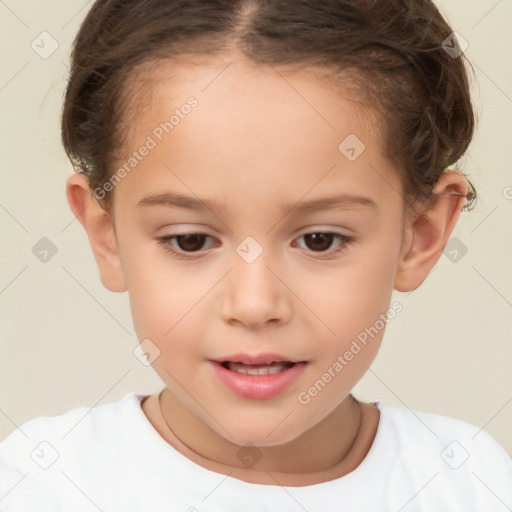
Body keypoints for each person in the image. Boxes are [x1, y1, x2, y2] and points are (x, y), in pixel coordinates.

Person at [1, 0, 511, 510]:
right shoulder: (40, 486)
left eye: (320, 240)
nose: (253, 304)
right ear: (105, 235)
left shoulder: (472, 484)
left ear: (420, 234)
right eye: (190, 240)